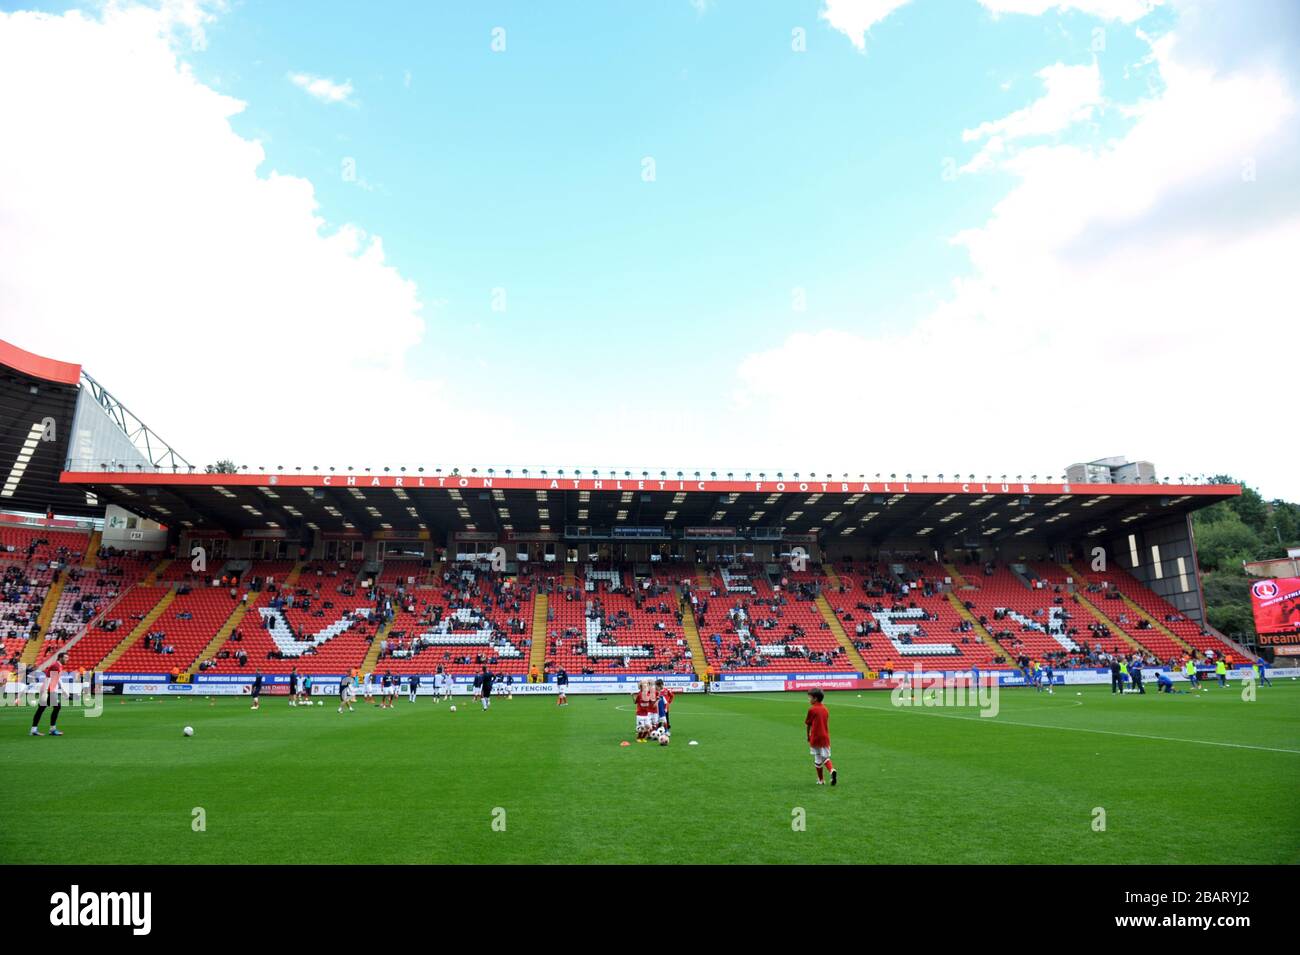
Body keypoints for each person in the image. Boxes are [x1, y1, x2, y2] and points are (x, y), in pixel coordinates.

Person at [29, 652, 67, 737]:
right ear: (60, 658)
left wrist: (64, 690)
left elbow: (57, 678)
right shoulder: (56, 666)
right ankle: (52, 730)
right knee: (55, 707)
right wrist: (46, 691)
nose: (67, 659)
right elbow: (49, 679)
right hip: (49, 690)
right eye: (65, 657)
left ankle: (34, 730)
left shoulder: (58, 666)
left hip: (49, 689)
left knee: (42, 709)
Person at [804, 687, 837, 786]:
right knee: (825, 757)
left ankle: (821, 780)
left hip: (815, 737)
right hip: (825, 737)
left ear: (815, 698)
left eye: (810, 697)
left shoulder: (812, 709)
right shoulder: (825, 709)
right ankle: (831, 770)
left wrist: (808, 736)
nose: (809, 699)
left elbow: (808, 724)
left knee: (817, 758)